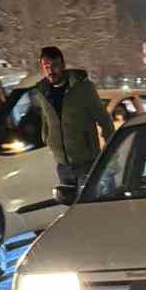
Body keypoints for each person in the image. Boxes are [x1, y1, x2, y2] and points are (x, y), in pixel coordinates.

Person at [29, 46, 114, 196]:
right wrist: (47, 139)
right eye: (46, 67)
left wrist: (110, 151)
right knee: (71, 209)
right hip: (62, 165)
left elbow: (104, 119)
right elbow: (46, 119)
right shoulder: (43, 92)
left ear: (63, 65)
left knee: (88, 205)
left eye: (54, 65)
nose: (50, 71)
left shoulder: (83, 88)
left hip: (86, 161)